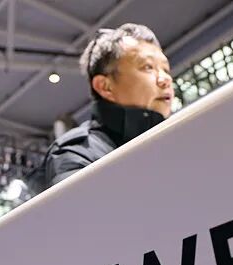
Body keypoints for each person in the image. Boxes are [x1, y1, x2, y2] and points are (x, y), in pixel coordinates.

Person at [40, 23, 174, 189]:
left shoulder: (177, 145)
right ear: (105, 86)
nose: (165, 79)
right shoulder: (75, 153)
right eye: (148, 67)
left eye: (166, 69)